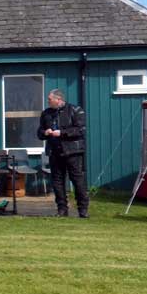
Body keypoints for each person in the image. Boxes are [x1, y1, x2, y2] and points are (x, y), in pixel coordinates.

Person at [37, 88, 88, 218]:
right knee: (57, 181)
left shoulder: (75, 110)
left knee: (77, 180)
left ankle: (83, 210)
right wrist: (45, 132)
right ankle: (62, 210)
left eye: (50, 99)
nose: (48, 101)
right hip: (55, 152)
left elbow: (80, 130)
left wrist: (62, 133)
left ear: (58, 99)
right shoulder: (46, 113)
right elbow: (39, 133)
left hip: (73, 152)